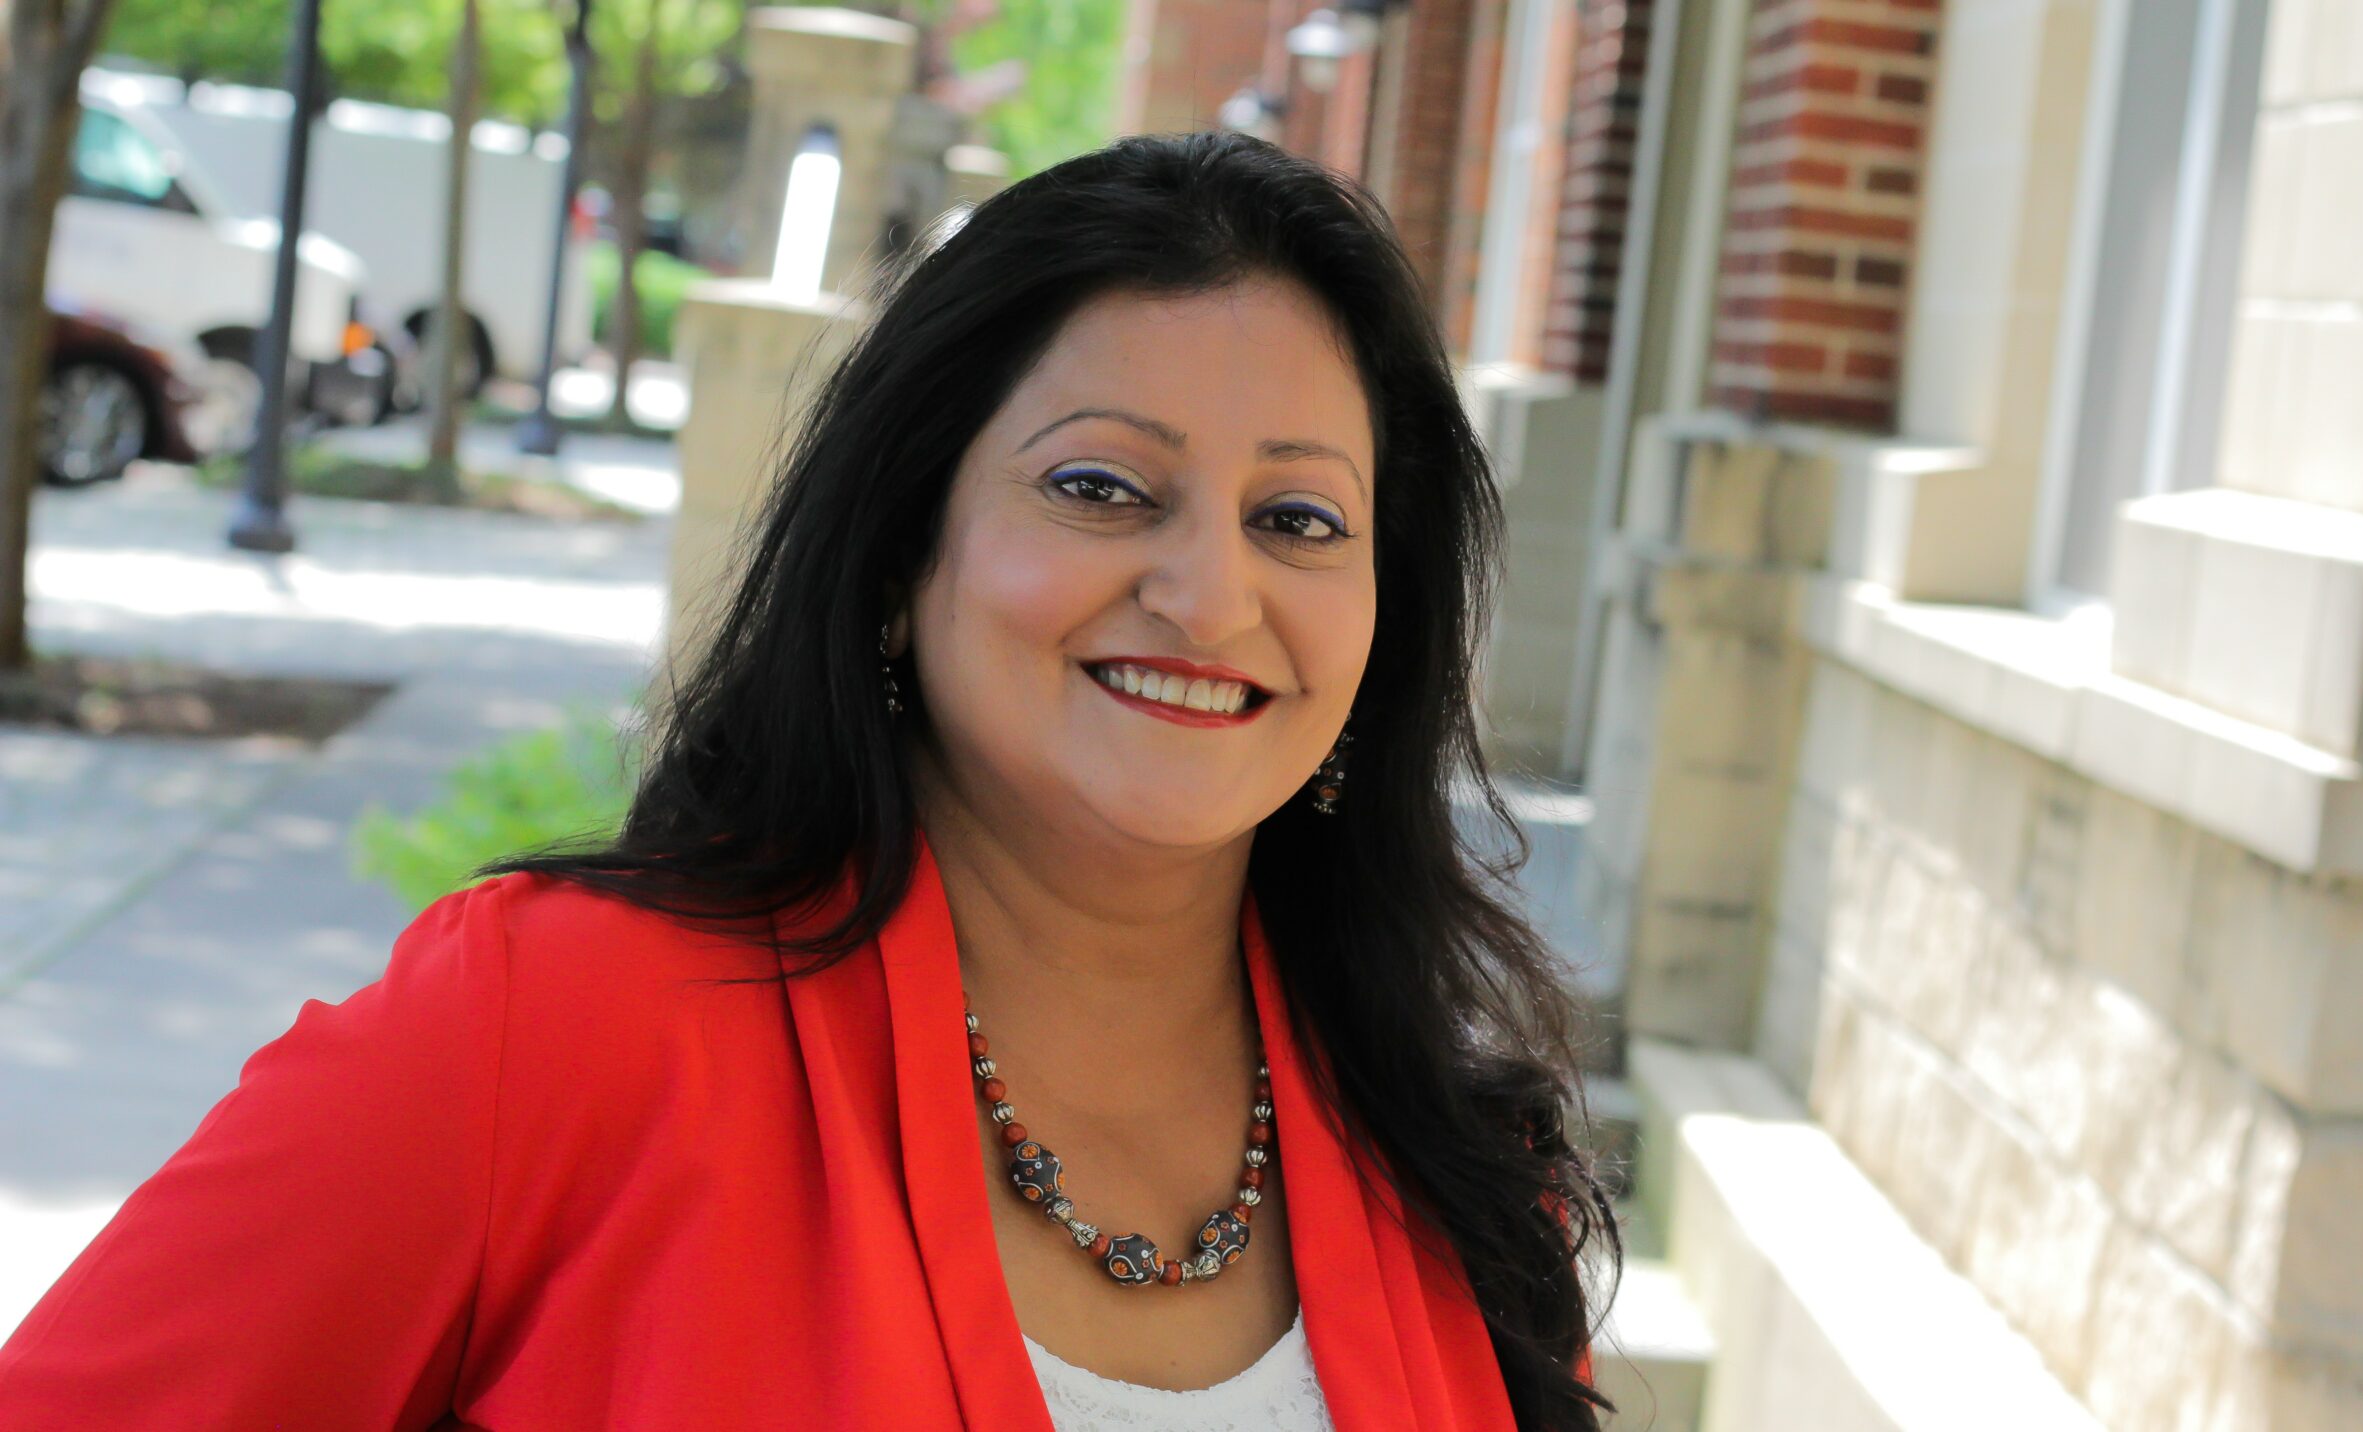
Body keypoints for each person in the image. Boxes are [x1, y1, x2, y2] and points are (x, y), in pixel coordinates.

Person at [0, 130, 1618, 1431]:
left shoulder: (1461, 1170)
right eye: (1101, 487)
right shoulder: (547, 1029)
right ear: (901, 552)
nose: (1209, 597)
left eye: (1299, 520)